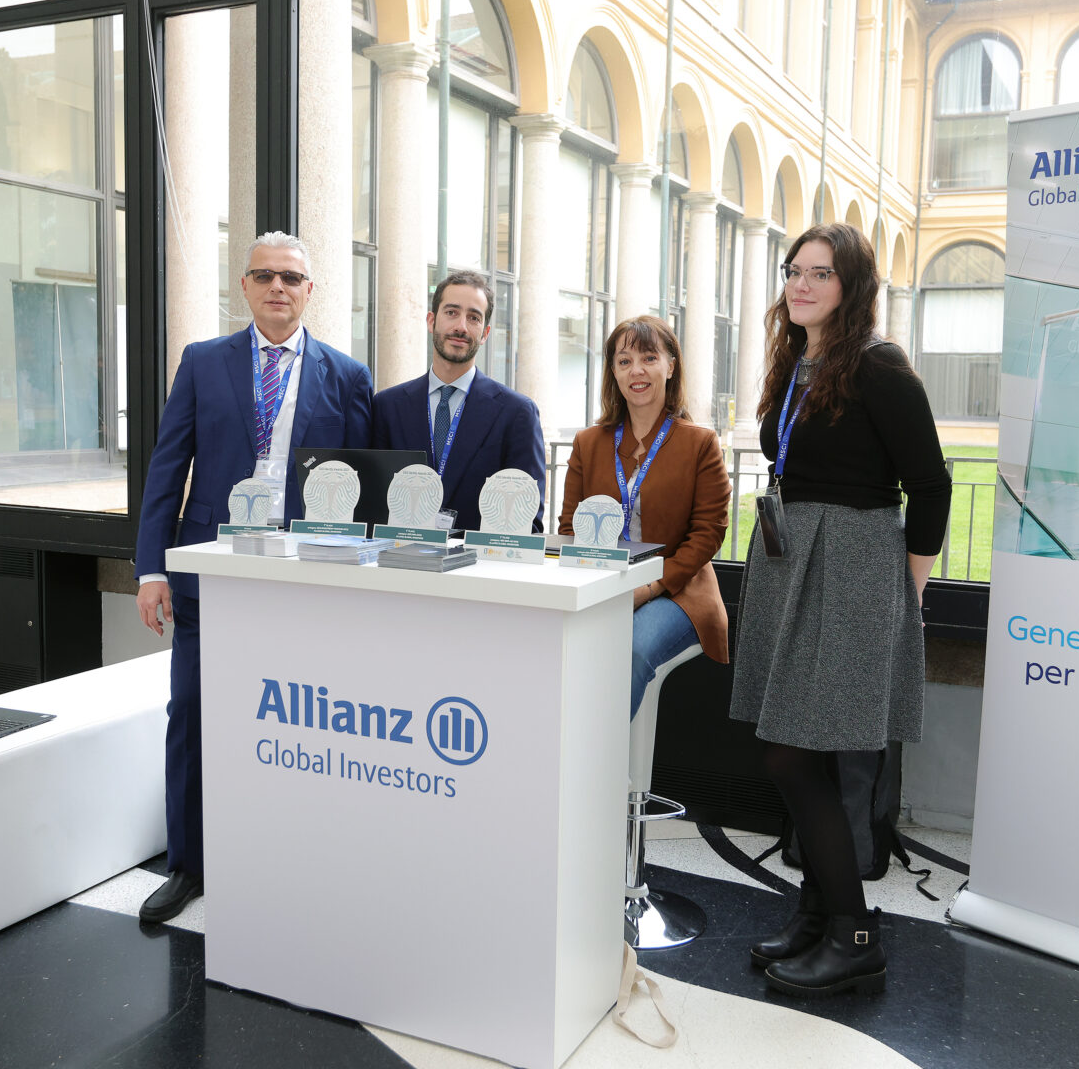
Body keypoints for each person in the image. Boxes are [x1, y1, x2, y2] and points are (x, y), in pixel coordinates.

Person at [730, 222, 951, 1000]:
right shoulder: (798, 361)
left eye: (820, 273)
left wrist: (906, 590)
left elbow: (931, 486)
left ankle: (855, 935)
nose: (801, 284)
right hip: (793, 563)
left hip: (853, 570)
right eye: (794, 270)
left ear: (852, 285)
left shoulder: (879, 367)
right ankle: (819, 914)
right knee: (808, 751)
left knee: (793, 753)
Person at [131, 232, 374, 923]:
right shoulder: (202, 362)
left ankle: (285, 857)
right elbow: (167, 468)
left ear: (309, 291)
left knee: (298, 722)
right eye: (264, 275)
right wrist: (152, 568)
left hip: (301, 580)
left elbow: (359, 491)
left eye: (291, 278)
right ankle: (188, 865)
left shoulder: (347, 376)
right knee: (192, 713)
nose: (277, 287)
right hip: (209, 572)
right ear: (243, 285)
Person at [556, 315, 730, 719]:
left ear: (670, 366)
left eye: (649, 358)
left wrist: (649, 588)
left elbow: (707, 535)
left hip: (678, 589)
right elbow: (569, 528)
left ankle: (600, 754)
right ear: (613, 373)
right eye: (624, 361)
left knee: (629, 647)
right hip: (603, 585)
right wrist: (601, 585)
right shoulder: (587, 443)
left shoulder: (700, 443)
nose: (636, 370)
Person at [371, 270, 545, 531]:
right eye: (451, 312)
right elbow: (374, 504)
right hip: (401, 552)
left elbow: (527, 520)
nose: (461, 327)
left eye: (473, 318)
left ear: (485, 334)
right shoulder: (387, 407)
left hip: (479, 556)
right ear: (431, 321)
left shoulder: (517, 413)